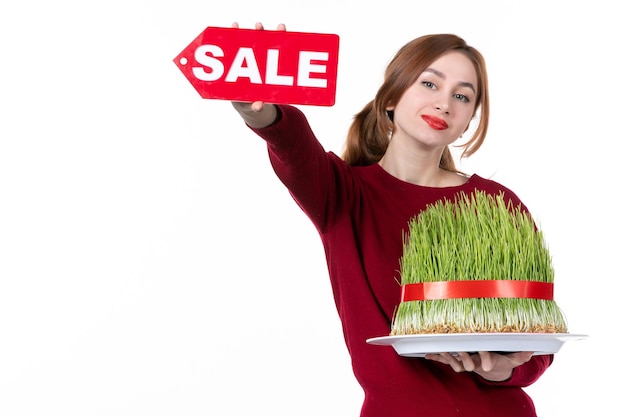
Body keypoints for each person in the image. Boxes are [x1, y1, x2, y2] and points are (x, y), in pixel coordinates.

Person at [229, 22, 552, 417]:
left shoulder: (497, 204)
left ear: (468, 120)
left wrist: (505, 369)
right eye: (430, 84)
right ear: (391, 98)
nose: (444, 103)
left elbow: (536, 338)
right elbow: (293, 146)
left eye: (462, 96)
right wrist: (262, 112)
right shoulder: (343, 195)